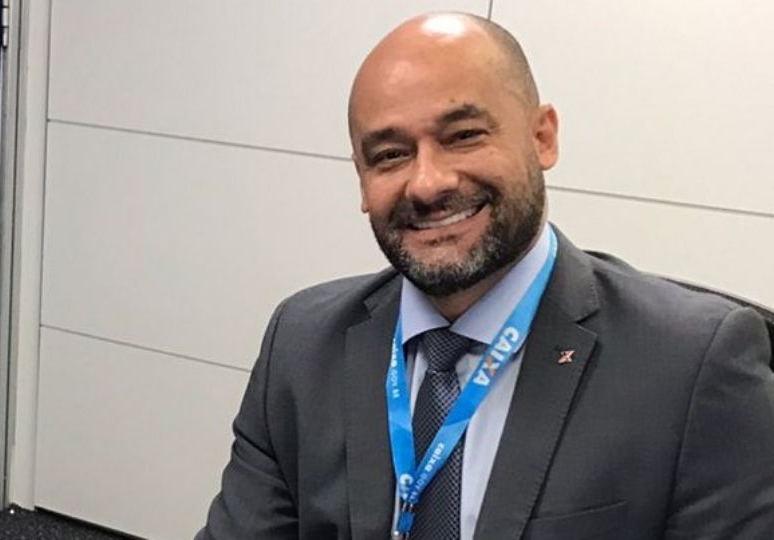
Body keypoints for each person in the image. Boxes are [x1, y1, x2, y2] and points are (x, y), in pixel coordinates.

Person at [196, 12, 774, 540]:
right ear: (361, 179)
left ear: (542, 138)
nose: (428, 183)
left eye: (463, 136)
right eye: (390, 154)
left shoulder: (691, 366)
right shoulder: (302, 344)